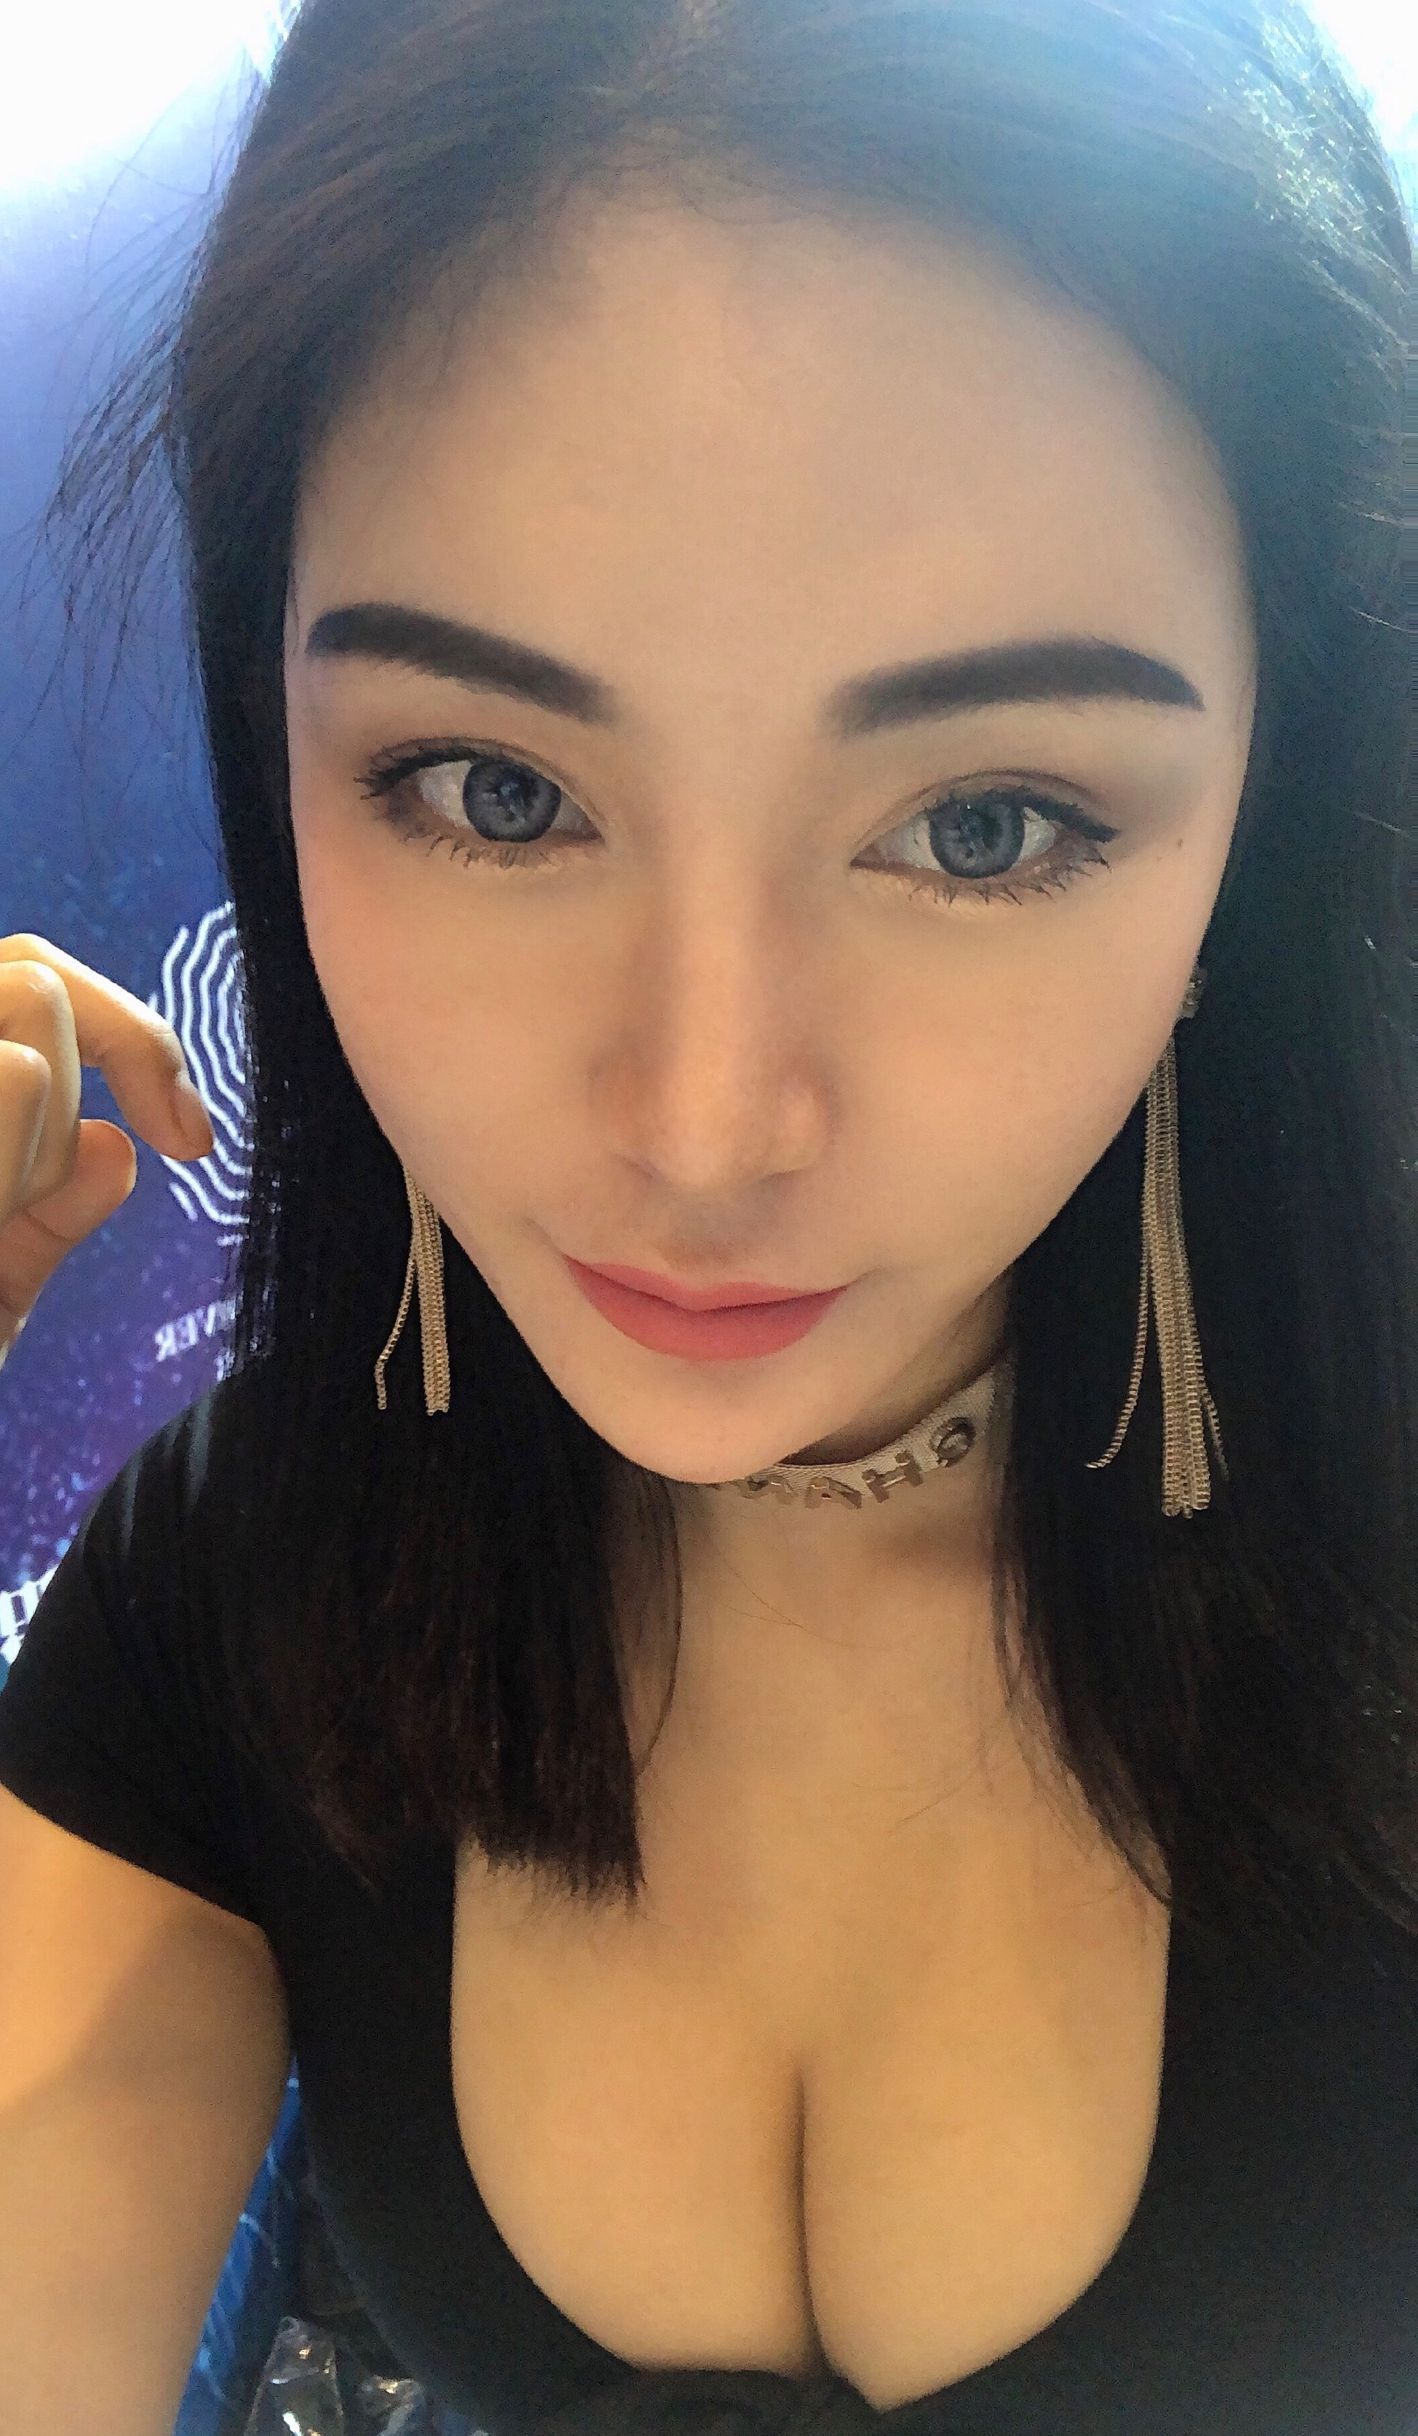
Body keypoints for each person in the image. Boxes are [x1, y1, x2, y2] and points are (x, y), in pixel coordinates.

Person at [0, 0, 1414, 2430]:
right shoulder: (233, 1599)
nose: (703, 1123)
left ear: (1258, 820)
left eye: (981, 826)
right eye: (492, 791)